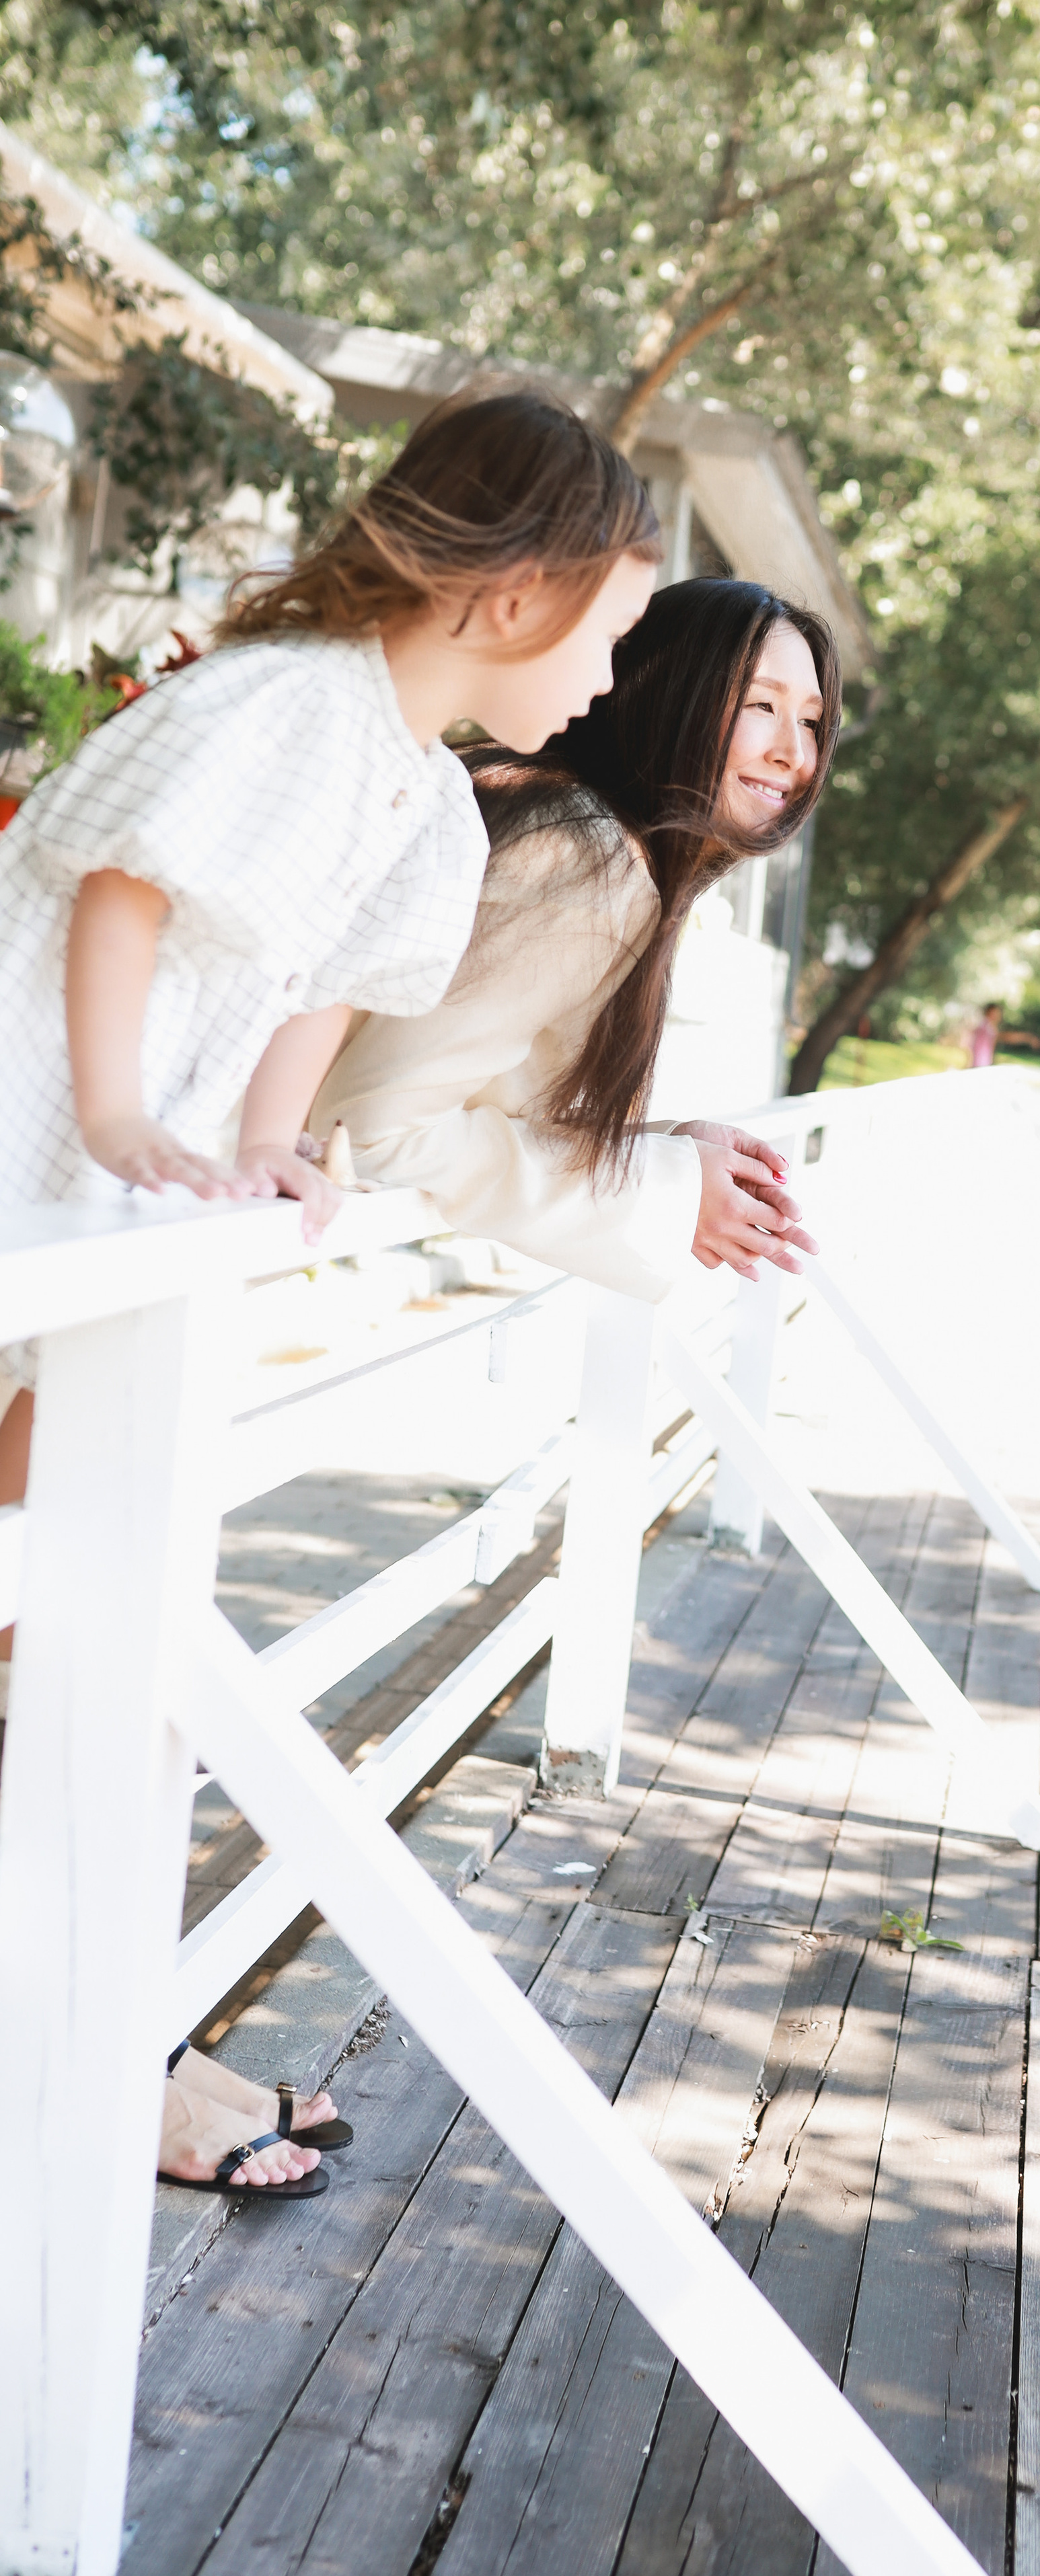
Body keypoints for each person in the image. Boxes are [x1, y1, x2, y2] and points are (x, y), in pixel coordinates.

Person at [0, 382, 663, 2198]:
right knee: (48, 1617)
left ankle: (84, 2044)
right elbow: (123, 894)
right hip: (39, 1159)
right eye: (608, 633)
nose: (610, 683)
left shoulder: (434, 809)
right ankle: (86, 2052)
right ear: (511, 596)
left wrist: (276, 1151)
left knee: (57, 1622)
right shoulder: (287, 705)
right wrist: (131, 1114)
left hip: (104, 1241)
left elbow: (316, 998)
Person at [309, 575, 838, 1297]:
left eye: (810, 721)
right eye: (761, 705)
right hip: (147, 1194)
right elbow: (370, 1130)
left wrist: (658, 1152)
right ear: (667, 695)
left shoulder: (574, 828)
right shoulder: (583, 855)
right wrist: (667, 1190)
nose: (793, 753)